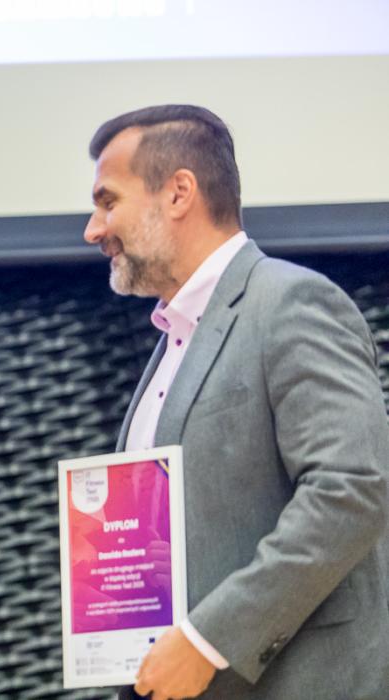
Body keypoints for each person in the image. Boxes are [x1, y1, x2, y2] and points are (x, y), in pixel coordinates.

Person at [82, 104, 389, 699]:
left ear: (179, 193)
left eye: (108, 201)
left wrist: (208, 640)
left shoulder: (291, 302)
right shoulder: (174, 339)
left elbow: (349, 490)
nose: (93, 230)